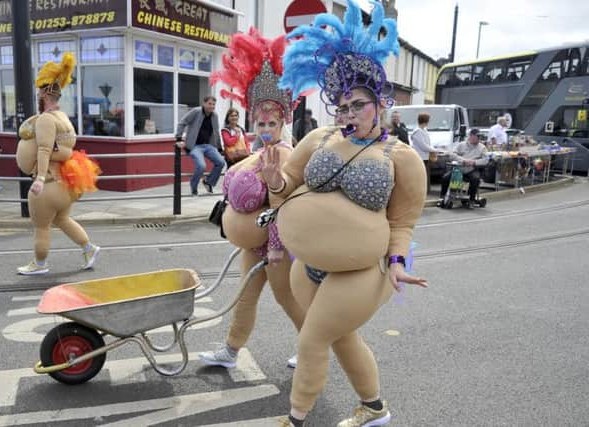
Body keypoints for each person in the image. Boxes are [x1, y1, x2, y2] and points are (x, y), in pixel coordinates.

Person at [270, 2, 428, 426]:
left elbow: (404, 221)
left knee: (313, 338)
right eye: (342, 107)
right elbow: (286, 186)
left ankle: (297, 418)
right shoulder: (319, 138)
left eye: (358, 105)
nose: (349, 114)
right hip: (308, 268)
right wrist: (272, 179)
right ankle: (375, 409)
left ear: (379, 103)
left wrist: (397, 262)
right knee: (340, 337)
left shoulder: (402, 156)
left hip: (364, 269)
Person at [199, 28, 305, 370]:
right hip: (252, 247)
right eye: (260, 122)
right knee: (244, 299)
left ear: (283, 122)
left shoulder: (284, 155)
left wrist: (274, 245)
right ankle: (230, 351)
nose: (264, 129)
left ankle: (311, 347)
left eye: (271, 123)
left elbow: (281, 204)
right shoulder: (255, 151)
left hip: (276, 249)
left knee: (287, 299)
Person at [15, 52, 101, 275]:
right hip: (64, 184)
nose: (37, 95)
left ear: (44, 93)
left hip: (48, 183)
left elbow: (44, 149)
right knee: (62, 219)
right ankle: (89, 249)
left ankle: (39, 265)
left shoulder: (46, 119)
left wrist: (40, 179)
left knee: (42, 227)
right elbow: (63, 150)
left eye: (39, 92)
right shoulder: (64, 118)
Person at [175, 96, 226, 196]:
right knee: (201, 166)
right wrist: (179, 138)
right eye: (209, 104)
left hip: (208, 145)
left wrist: (219, 148)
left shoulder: (214, 115)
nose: (212, 106)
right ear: (204, 103)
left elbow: (216, 132)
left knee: (221, 162)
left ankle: (208, 182)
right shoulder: (196, 111)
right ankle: (193, 186)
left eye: (213, 104)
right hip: (195, 146)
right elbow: (182, 123)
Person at [440, 128, 489, 207]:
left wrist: (474, 162)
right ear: (471, 136)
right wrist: (463, 160)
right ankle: (442, 198)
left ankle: (472, 200)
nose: (478, 138)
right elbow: (452, 155)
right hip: (459, 169)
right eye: (477, 136)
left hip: (472, 169)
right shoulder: (461, 145)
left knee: (475, 179)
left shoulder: (482, 147)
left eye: (479, 137)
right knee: (445, 178)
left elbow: (486, 160)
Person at [410, 112, 438, 193]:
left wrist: (433, 149)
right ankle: (416, 192)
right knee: (418, 176)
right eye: (428, 120)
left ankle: (421, 191)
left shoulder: (424, 130)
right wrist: (435, 150)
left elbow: (427, 144)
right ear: (425, 121)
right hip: (419, 157)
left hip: (425, 157)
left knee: (423, 175)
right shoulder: (418, 131)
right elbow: (423, 146)